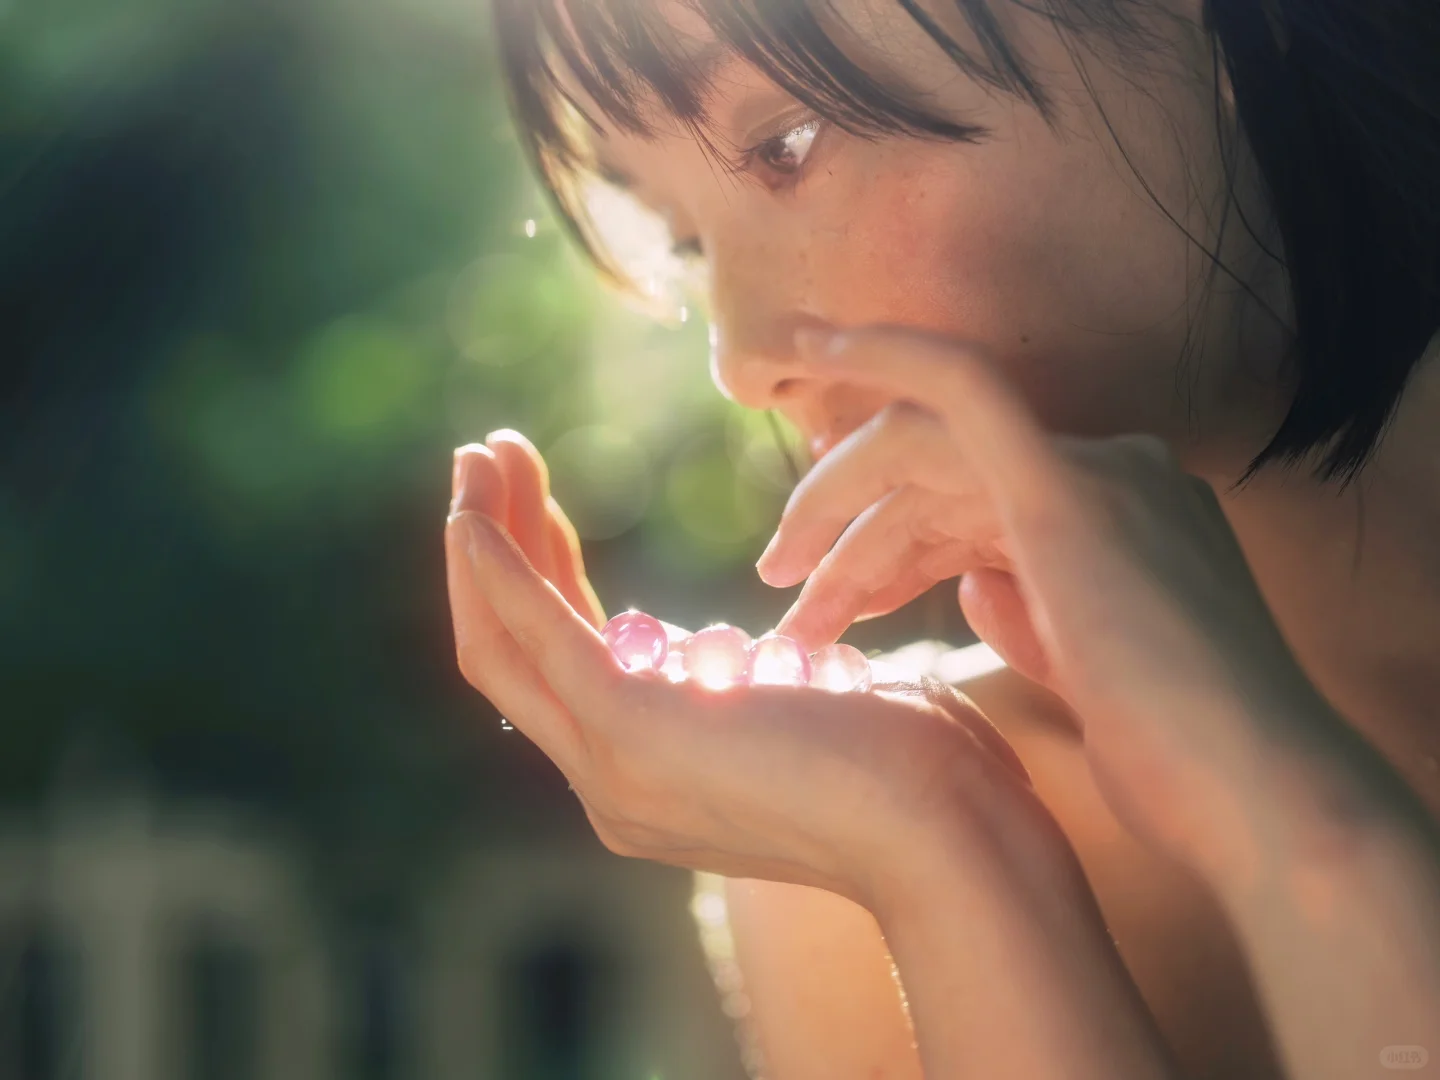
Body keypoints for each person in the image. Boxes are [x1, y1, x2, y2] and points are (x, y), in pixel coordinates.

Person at [445, 1, 1440, 1076]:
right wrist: (948, 852)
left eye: (786, 144)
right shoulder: (860, 839)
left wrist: (1293, 823)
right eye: (687, 245)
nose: (739, 362)